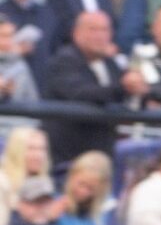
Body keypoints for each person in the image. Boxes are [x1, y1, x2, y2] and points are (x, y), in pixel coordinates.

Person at [44, 10, 141, 165]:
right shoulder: (63, 61)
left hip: (104, 156)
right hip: (67, 158)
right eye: (93, 29)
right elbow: (82, 93)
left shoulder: (111, 64)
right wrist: (124, 88)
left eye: (105, 30)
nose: (100, 35)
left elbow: (127, 94)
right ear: (76, 33)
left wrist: (138, 89)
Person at [0, 0, 52, 86]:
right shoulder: (2, 13)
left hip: (42, 83)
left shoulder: (46, 13)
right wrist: (12, 49)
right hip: (10, 88)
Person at [0, 124, 50, 225]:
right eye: (31, 149)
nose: (38, 155)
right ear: (16, 151)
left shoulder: (44, 183)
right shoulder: (3, 183)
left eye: (42, 149)